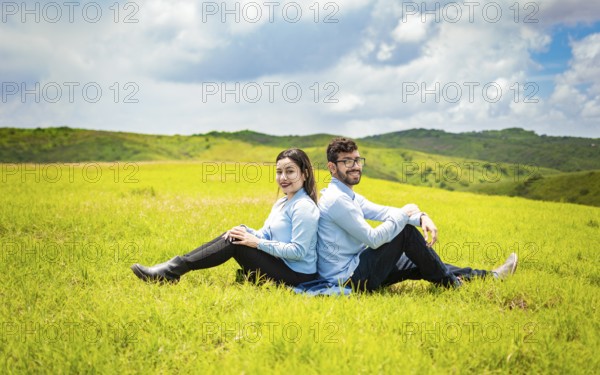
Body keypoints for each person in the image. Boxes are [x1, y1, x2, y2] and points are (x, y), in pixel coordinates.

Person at [316, 137, 518, 291]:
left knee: (422, 259)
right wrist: (405, 216)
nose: (356, 166)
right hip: (349, 279)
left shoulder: (347, 195)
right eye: (348, 162)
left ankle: (490, 277)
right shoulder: (336, 200)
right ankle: (452, 284)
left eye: (358, 160)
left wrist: (420, 216)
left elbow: (384, 211)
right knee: (405, 232)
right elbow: (373, 239)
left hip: (358, 265)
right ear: (332, 167)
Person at [131, 148, 320, 287]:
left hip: (297, 276)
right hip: (280, 263)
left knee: (234, 244)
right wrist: (246, 231)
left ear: (304, 174)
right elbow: (267, 234)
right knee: (236, 235)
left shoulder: (303, 207)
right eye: (279, 172)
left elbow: (298, 251)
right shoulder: (282, 202)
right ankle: (172, 270)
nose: (283, 177)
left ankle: (171, 271)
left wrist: (256, 243)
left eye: (290, 171)